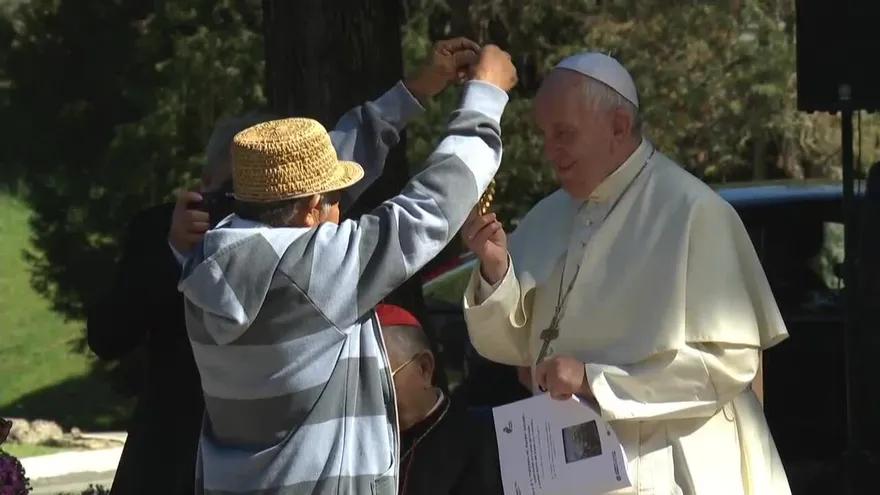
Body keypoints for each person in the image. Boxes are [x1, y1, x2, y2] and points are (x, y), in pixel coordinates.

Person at [173, 43, 517, 494]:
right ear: (314, 208)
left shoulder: (209, 257)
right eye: (334, 200)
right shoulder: (308, 277)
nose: (343, 211)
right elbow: (430, 210)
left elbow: (303, 182)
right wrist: (486, 97)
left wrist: (414, 90)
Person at [460, 51, 791, 494]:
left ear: (618, 126)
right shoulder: (546, 215)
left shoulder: (694, 212)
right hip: (568, 466)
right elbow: (509, 346)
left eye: (565, 133)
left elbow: (730, 364)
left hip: (671, 463)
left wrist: (594, 381)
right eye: (544, 134)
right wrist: (497, 272)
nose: (550, 150)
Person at [85, 113, 270, 494]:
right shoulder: (160, 228)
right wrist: (175, 252)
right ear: (206, 186)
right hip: (174, 448)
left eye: (264, 194)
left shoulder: (304, 235)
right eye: (235, 192)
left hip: (268, 454)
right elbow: (108, 337)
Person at [376, 303, 503, 495]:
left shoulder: (491, 438)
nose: (374, 401)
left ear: (424, 368)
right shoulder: (362, 450)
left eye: (383, 383)